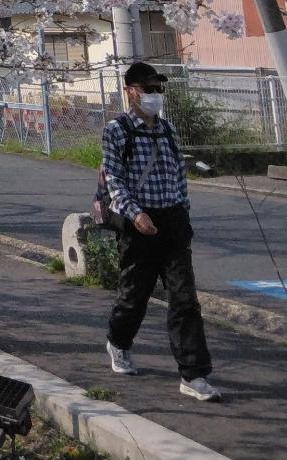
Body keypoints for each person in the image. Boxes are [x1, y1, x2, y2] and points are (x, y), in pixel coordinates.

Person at [100, 61, 218, 402]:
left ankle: (193, 374)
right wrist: (136, 215)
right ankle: (118, 341)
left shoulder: (167, 130)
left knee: (185, 299)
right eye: (148, 89)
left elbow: (178, 176)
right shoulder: (117, 130)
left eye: (158, 89)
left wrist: (183, 213)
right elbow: (114, 180)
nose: (154, 95)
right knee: (134, 295)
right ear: (130, 91)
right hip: (139, 224)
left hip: (172, 222)